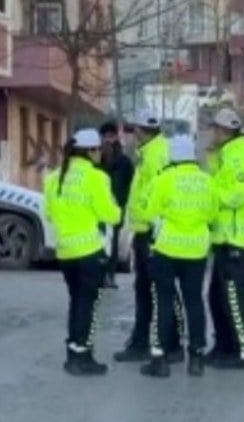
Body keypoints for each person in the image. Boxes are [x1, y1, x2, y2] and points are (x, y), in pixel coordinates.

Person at [133, 135, 215, 378]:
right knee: (194, 302)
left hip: (167, 249)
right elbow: (212, 214)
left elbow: (147, 212)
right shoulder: (207, 181)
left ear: (173, 156)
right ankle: (197, 358)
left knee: (164, 302)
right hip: (197, 250)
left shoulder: (164, 179)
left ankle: (160, 360)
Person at [43, 129, 121, 376]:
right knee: (88, 306)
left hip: (65, 252)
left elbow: (47, 213)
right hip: (90, 251)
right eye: (98, 149)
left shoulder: (54, 177)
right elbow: (111, 214)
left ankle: (72, 353)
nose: (100, 153)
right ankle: (83, 357)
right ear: (90, 151)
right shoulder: (96, 177)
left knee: (76, 302)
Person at [113, 109, 180, 364]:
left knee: (150, 291)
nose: (131, 136)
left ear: (141, 132)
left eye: (134, 131)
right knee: (155, 290)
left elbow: (159, 197)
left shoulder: (155, 156)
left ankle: (149, 344)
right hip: (147, 231)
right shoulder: (152, 153)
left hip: (151, 233)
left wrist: (151, 229)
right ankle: (167, 344)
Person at [205, 108, 244, 369]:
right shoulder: (228, 155)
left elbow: (235, 195)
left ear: (224, 131)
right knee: (216, 295)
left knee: (232, 296)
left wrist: (210, 194)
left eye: (215, 129)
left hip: (237, 238)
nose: (212, 134)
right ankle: (224, 347)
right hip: (224, 236)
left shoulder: (240, 158)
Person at [98, 121, 134, 289]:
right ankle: (98, 275)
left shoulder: (125, 162)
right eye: (105, 137)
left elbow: (129, 185)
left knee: (111, 243)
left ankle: (110, 276)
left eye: (111, 137)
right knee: (97, 242)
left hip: (115, 208)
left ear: (116, 138)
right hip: (97, 207)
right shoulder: (96, 160)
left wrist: (122, 203)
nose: (108, 140)